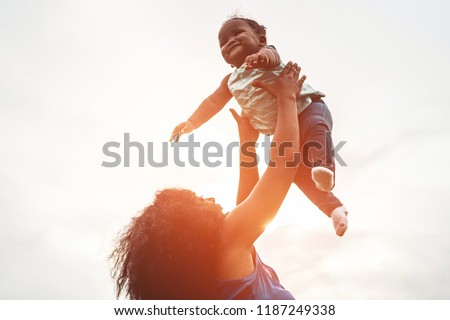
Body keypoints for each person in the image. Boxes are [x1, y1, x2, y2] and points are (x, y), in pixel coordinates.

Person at [111, 62, 304, 299]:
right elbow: (283, 167)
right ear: (187, 229)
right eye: (198, 201)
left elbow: (249, 203)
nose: (209, 198)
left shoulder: (214, 267)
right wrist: (287, 97)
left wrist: (247, 142)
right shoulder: (228, 242)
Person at [170, 17, 348, 236]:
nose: (230, 41)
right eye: (223, 41)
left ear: (261, 39)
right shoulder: (230, 81)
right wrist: (191, 123)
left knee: (316, 131)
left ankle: (326, 168)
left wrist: (260, 58)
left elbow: (271, 57)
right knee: (297, 174)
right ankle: (334, 208)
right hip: (284, 128)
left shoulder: (267, 55)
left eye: (237, 33)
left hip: (307, 108)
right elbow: (213, 102)